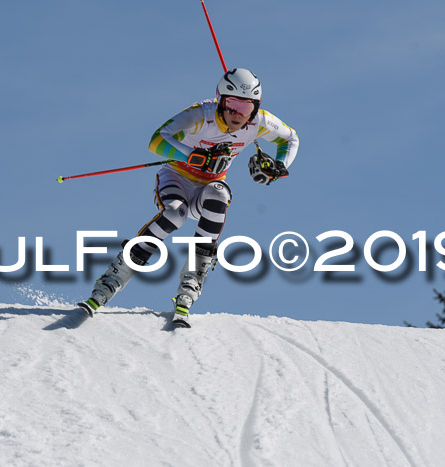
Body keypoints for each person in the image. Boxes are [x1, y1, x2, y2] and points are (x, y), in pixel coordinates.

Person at [78, 68, 299, 327]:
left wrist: (278, 166)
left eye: (246, 106)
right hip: (176, 179)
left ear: (256, 107)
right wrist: (192, 155)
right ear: (220, 100)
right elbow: (156, 140)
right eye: (232, 104)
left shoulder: (259, 122)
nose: (238, 114)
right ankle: (116, 275)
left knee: (219, 194)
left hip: (208, 188)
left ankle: (193, 277)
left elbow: (290, 139)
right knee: (174, 214)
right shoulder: (201, 115)